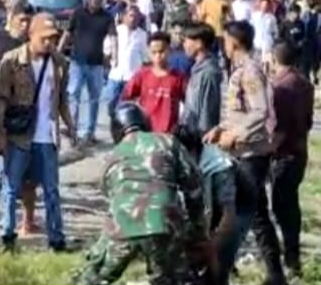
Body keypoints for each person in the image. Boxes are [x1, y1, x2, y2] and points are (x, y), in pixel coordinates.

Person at [70, 102, 208, 285]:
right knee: (174, 278)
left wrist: (100, 251)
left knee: (94, 277)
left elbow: (112, 199)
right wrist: (197, 232)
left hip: (123, 226)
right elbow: (194, 188)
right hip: (164, 224)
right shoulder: (167, 142)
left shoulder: (111, 157)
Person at [204, 21, 288, 285]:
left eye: (226, 40)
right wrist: (220, 129)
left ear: (234, 42)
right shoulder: (238, 69)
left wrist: (235, 135)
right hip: (239, 151)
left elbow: (259, 111)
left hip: (251, 154)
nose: (223, 45)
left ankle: (275, 273)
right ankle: (225, 268)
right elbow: (239, 111)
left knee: (252, 213)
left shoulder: (250, 71)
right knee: (238, 211)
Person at [0, 13, 75, 252]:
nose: (49, 43)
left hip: (47, 136)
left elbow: (61, 99)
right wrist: (0, 132)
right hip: (19, 136)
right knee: (11, 187)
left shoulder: (59, 63)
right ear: (31, 35)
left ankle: (56, 239)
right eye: (45, 38)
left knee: (51, 190)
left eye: (53, 38)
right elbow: (0, 99)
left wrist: (69, 124)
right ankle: (7, 237)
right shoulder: (12, 61)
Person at [175, 127, 257, 285]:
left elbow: (228, 216)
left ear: (194, 151)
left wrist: (211, 247)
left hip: (240, 204)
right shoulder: (176, 160)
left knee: (220, 254)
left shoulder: (219, 168)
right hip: (212, 203)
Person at [0, 0, 39, 236]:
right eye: (22, 20)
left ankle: (28, 221)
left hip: (28, 116)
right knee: (0, 173)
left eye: (29, 21)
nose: (25, 25)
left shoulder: (33, 45)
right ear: (11, 16)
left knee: (29, 175)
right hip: (1, 113)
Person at [270, 41, 314, 278]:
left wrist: (266, 150)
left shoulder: (280, 87)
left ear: (274, 59)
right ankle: (292, 255)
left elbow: (280, 128)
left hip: (284, 153)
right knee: (290, 206)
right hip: (300, 151)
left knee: (282, 207)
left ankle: (290, 257)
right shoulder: (304, 83)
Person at [58, 0, 117, 145]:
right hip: (77, 62)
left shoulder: (107, 17)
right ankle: (72, 130)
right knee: (73, 96)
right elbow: (67, 34)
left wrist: (115, 57)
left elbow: (113, 37)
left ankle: (89, 133)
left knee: (94, 99)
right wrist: (57, 52)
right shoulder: (78, 13)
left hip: (97, 64)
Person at [121, 32, 187, 134]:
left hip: (168, 134)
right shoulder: (142, 75)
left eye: (161, 51)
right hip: (145, 132)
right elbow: (125, 98)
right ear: (149, 53)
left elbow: (189, 103)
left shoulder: (178, 78)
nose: (158, 56)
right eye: (154, 52)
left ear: (169, 50)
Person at [103, 5, 148, 122]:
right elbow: (106, 49)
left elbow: (146, 57)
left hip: (131, 77)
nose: (133, 19)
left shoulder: (142, 35)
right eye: (131, 16)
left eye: (136, 17)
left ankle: (122, 126)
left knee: (126, 107)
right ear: (124, 17)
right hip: (116, 75)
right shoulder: (116, 30)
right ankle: (114, 121)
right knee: (111, 103)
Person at [181, 22, 222, 135]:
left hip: (201, 138)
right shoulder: (196, 69)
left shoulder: (209, 73)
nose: (183, 45)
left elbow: (208, 111)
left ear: (199, 43)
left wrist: (201, 137)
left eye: (186, 41)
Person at [199, 0, 231, 75]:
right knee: (211, 54)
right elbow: (202, 18)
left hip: (222, 33)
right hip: (210, 33)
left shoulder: (225, 2)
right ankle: (211, 72)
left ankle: (227, 74)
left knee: (225, 55)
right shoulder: (206, 1)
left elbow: (230, 16)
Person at [251, 0, 278, 74]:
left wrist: (274, 40)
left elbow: (275, 31)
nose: (264, 7)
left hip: (267, 41)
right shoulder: (254, 16)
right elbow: (251, 27)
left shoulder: (272, 17)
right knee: (255, 62)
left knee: (265, 63)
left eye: (266, 5)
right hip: (256, 40)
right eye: (263, 5)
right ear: (260, 5)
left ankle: (265, 76)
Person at [279, 4, 306, 74]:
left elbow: (303, 36)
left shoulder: (301, 24)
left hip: (298, 52)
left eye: (298, 13)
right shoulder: (285, 24)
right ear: (290, 13)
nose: (296, 15)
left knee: (298, 71)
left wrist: (302, 42)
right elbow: (280, 37)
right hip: (288, 52)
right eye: (295, 13)